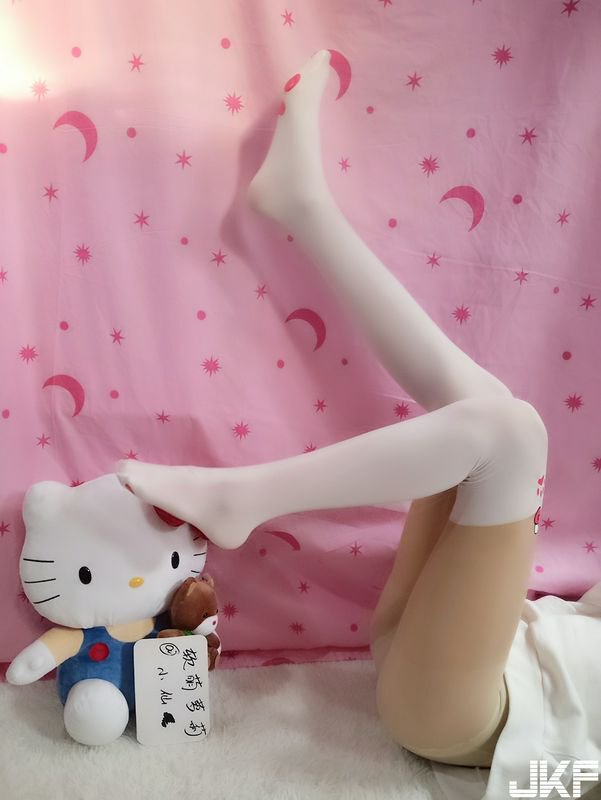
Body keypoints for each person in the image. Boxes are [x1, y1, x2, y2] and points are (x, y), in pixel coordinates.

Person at [115, 50, 549, 770]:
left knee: (512, 433)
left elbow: (567, 781)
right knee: (489, 411)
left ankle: (240, 497)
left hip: (476, 715)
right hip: (463, 650)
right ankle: (304, 207)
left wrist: (548, 778)